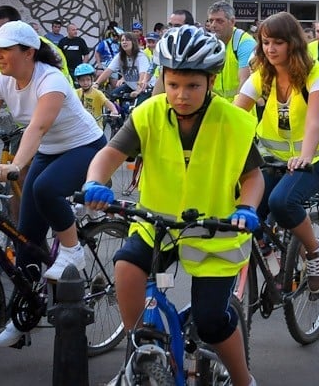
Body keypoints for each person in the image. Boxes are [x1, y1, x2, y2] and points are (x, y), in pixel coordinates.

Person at [83, 25, 261, 386]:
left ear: (210, 82)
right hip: (158, 224)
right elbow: (109, 154)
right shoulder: (148, 113)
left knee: (212, 320)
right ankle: (139, 352)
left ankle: (244, 380)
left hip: (216, 232)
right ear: (163, 77)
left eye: (192, 86)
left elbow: (253, 177)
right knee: (127, 267)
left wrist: (248, 208)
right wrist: (93, 182)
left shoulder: (233, 121)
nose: (181, 95)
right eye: (174, 84)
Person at [0, 20, 106, 345]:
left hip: (85, 148)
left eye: (6, 50)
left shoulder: (50, 80)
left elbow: (35, 128)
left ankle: (73, 249)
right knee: (25, 238)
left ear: (29, 52)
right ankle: (24, 315)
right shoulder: (3, 82)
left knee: (44, 188)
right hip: (49, 152)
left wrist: (17, 166)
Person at [233, 11, 319, 295]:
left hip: (315, 158)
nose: (270, 49)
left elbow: (315, 120)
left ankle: (315, 250)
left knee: (282, 202)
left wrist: (304, 155)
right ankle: (267, 251)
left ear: (292, 43)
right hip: (272, 159)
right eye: (266, 42)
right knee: (239, 207)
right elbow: (232, 115)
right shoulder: (261, 77)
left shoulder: (316, 76)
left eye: (278, 42)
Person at [206, 1, 256, 102]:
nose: (213, 25)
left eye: (219, 21)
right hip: (217, 107)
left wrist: (232, 111)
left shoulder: (245, 43)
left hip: (241, 108)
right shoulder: (209, 42)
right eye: (211, 21)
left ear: (232, 22)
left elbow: (245, 81)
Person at [96, 31, 152, 105]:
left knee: (138, 106)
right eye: (122, 40)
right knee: (112, 95)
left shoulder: (141, 56)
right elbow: (108, 71)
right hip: (130, 86)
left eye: (127, 40)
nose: (124, 42)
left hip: (145, 87)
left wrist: (138, 90)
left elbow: (143, 75)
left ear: (133, 42)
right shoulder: (120, 56)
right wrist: (96, 83)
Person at [74, 63, 118, 128]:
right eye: (82, 80)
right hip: (81, 126)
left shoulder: (97, 93)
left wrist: (114, 111)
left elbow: (108, 104)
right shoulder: (76, 93)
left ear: (92, 79)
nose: (85, 83)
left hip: (96, 127)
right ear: (78, 81)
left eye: (88, 79)